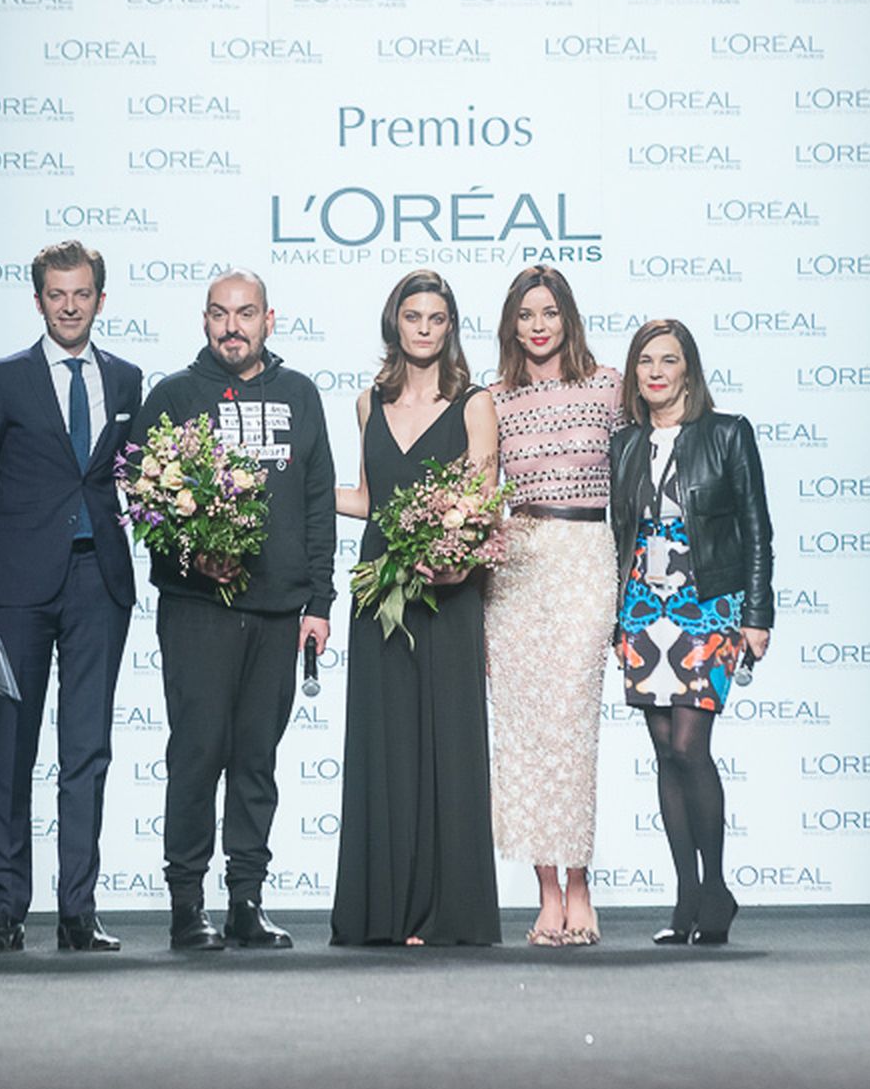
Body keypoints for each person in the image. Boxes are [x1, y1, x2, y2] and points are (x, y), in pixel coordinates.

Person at [0, 240, 143, 954]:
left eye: (81, 293)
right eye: (56, 294)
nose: (68, 305)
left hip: (100, 584)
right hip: (15, 593)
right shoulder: (3, 380)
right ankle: (7, 912)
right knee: (12, 749)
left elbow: (137, 478)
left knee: (87, 751)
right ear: (38, 300)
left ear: (99, 298)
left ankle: (78, 914)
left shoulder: (125, 380)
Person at [131, 269, 336, 951]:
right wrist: (190, 557)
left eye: (245, 313)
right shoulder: (172, 396)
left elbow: (316, 504)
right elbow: (144, 507)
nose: (232, 326)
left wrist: (319, 602)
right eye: (219, 314)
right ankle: (187, 907)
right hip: (199, 609)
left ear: (269, 320)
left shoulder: (300, 394)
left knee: (256, 760)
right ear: (204, 321)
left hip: (280, 611)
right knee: (197, 754)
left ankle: (246, 901)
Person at [330, 269, 502, 946]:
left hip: (448, 590)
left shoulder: (475, 403)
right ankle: (385, 911)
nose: (424, 329)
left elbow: (482, 502)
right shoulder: (368, 402)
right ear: (394, 324)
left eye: (436, 318)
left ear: (450, 327)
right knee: (386, 745)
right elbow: (371, 498)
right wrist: (295, 490)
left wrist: (452, 556)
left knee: (448, 747)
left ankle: (444, 913)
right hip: (381, 591)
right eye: (413, 317)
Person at [609, 318, 774, 946]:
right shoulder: (624, 444)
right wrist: (614, 616)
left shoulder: (728, 434)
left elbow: (758, 529)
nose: (655, 371)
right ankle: (685, 896)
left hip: (708, 603)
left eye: (668, 360)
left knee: (689, 745)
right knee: (662, 751)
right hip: (642, 607)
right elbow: (617, 535)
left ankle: (716, 889)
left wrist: (757, 614)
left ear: (688, 369)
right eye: (645, 361)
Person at [484, 266, 621, 947]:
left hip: (588, 556)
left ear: (568, 317)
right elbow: (481, 496)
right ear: (511, 324)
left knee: (572, 727)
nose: (538, 325)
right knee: (525, 734)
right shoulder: (495, 398)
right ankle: (544, 892)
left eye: (549, 312)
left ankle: (581, 884)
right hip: (517, 565)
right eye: (525, 314)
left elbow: (639, 479)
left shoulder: (608, 385)